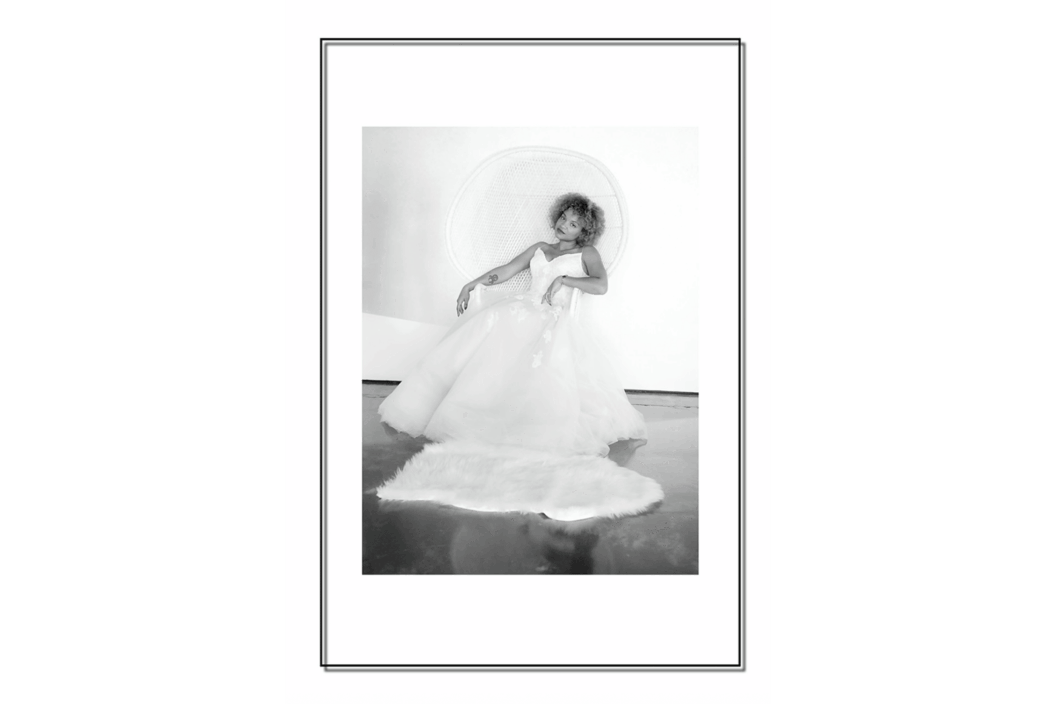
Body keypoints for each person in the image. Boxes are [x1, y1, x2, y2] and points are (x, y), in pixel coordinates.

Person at [378, 193, 647, 457]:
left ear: (585, 231)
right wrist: (472, 284)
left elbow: (601, 285)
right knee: (492, 325)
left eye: (573, 224)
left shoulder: (586, 253)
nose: (564, 225)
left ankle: (523, 424)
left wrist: (565, 279)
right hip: (523, 308)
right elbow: (508, 269)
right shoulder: (541, 248)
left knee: (538, 355)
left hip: (553, 317)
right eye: (563, 218)